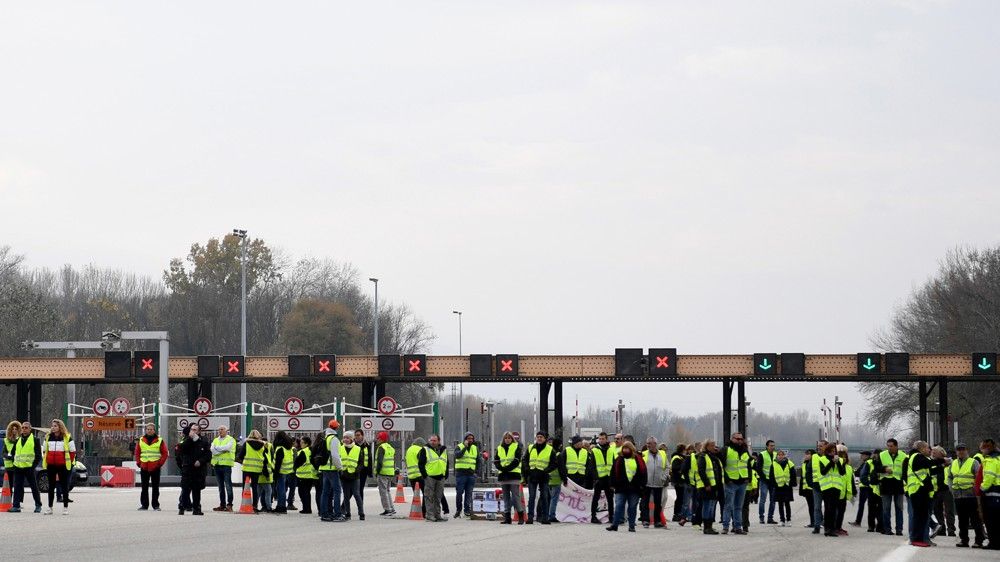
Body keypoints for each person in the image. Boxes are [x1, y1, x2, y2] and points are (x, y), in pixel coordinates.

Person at [906, 440, 946, 547]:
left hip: (919, 491)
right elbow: (928, 464)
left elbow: (929, 471)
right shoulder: (917, 456)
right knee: (920, 517)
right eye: (928, 448)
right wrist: (942, 460)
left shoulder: (917, 458)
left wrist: (941, 467)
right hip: (918, 490)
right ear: (922, 448)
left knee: (922, 516)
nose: (930, 450)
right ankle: (916, 539)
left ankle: (919, 538)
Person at [605, 440, 646, 532]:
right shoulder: (619, 459)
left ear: (631, 449)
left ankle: (631, 525)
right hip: (621, 487)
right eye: (624, 448)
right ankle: (615, 524)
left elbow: (643, 473)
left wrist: (642, 485)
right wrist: (612, 484)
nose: (625, 450)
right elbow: (613, 473)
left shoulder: (638, 459)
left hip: (634, 488)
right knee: (619, 505)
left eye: (627, 448)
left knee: (632, 507)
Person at [948, 443, 984, 548]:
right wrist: (952, 489)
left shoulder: (974, 462)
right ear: (956, 452)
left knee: (975, 520)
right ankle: (964, 540)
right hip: (958, 496)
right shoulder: (953, 463)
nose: (961, 451)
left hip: (971, 496)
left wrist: (975, 490)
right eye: (959, 450)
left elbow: (979, 477)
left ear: (967, 450)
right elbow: (950, 477)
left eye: (963, 449)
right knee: (962, 520)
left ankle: (979, 540)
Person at [41, 419, 76, 515]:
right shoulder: (48, 437)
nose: (53, 427)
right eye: (52, 426)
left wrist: (66, 462)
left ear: (60, 427)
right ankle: (50, 508)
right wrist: (47, 459)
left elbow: (73, 452)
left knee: (64, 486)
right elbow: (44, 450)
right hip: (51, 465)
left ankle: (65, 508)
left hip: (63, 465)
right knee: (51, 486)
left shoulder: (67, 437)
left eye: (55, 426)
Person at [718, 432, 750, 535]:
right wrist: (727, 479)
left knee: (738, 507)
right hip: (731, 482)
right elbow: (721, 466)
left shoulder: (745, 451)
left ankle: (737, 527)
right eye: (737, 439)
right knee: (728, 506)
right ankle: (725, 527)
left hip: (742, 482)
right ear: (732, 439)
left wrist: (748, 477)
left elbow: (748, 465)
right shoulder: (726, 449)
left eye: (741, 439)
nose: (740, 441)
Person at [873, 438, 906, 536]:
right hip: (886, 484)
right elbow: (876, 468)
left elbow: (905, 470)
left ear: (896, 446)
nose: (889, 448)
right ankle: (887, 529)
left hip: (898, 484)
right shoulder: (882, 455)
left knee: (899, 508)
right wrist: (884, 469)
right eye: (888, 446)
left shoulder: (904, 456)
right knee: (886, 508)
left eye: (891, 446)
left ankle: (899, 530)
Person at [177, 423, 210, 515]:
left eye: (195, 430)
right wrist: (190, 440)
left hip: (198, 469)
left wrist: (200, 461)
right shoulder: (186, 440)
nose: (193, 431)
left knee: (196, 490)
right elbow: (181, 450)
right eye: (192, 429)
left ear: (199, 431)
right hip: (187, 468)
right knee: (185, 489)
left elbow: (208, 455)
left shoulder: (203, 441)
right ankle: (182, 506)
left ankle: (196, 508)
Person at [9, 420, 42, 513]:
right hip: (18, 467)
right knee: (17, 487)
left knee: (34, 487)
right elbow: (12, 453)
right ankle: (16, 506)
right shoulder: (18, 440)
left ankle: (38, 505)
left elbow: (38, 455)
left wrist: (33, 466)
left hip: (29, 468)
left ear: (30, 429)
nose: (24, 429)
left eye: (26, 428)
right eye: (22, 428)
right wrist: (14, 463)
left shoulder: (35, 440)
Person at [134, 422, 168, 511]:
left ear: (154, 430)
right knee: (144, 487)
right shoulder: (141, 440)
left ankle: (155, 505)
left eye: (151, 429)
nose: (149, 431)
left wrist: (159, 464)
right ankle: (144, 505)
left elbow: (165, 453)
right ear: (146, 430)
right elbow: (137, 453)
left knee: (155, 487)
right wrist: (139, 463)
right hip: (144, 466)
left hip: (155, 466)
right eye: (148, 429)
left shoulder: (160, 440)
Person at [523, 431, 554, 525]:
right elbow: (524, 460)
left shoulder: (550, 449)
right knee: (531, 497)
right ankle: (530, 518)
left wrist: (546, 470)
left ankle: (545, 518)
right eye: (538, 437)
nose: (539, 438)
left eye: (541, 437)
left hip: (543, 476)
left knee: (544, 497)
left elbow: (554, 463)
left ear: (545, 439)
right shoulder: (530, 448)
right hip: (532, 476)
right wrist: (527, 470)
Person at [693, 439, 723, 535]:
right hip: (706, 486)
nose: (714, 447)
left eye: (714, 445)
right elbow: (701, 471)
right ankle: (706, 527)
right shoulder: (703, 456)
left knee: (711, 506)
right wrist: (707, 484)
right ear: (706, 446)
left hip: (714, 486)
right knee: (707, 506)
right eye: (712, 445)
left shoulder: (713, 457)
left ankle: (709, 526)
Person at [495, 431, 525, 525]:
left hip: (513, 475)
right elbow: (497, 461)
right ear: (503, 439)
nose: (507, 440)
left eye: (509, 438)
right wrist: (502, 468)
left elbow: (516, 460)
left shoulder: (517, 447)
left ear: (512, 439)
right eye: (506, 438)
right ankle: (507, 517)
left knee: (516, 497)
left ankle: (521, 516)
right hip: (503, 475)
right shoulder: (499, 448)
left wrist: (506, 468)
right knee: (506, 497)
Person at [317, 420, 345, 522]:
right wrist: (340, 468)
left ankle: (324, 514)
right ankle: (337, 514)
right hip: (332, 469)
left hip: (324, 468)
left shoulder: (325, 438)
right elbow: (335, 456)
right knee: (337, 491)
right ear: (337, 428)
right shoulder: (334, 439)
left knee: (325, 492)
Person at [236, 430, 269, 513]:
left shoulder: (246, 444)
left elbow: (240, 455)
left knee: (245, 487)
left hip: (247, 468)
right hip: (257, 469)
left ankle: (244, 504)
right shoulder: (263, 445)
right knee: (255, 487)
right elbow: (265, 457)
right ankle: (255, 505)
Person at [417, 434, 448, 522]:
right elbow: (421, 464)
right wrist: (425, 476)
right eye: (431, 440)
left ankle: (437, 515)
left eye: (434, 441)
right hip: (430, 477)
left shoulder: (443, 450)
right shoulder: (425, 449)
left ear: (439, 441)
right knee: (429, 497)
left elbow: (446, 462)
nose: (433, 442)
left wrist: (445, 475)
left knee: (438, 497)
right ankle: (429, 515)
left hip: (440, 477)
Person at [976, 439, 999, 550]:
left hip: (991, 493)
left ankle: (994, 543)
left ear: (987, 448)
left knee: (990, 520)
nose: (981, 451)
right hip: (997, 493)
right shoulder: (998, 457)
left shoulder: (990, 460)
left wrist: (981, 488)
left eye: (982, 449)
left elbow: (989, 476)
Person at [639, 436, 668, 528]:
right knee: (645, 503)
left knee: (658, 503)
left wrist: (664, 477)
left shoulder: (662, 454)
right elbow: (640, 468)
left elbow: (667, 466)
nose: (647, 445)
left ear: (655, 444)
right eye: (647, 443)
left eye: (649, 443)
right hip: (646, 483)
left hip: (659, 483)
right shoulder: (643, 454)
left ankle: (657, 521)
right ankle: (645, 520)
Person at [818, 442, 845, 537]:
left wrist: (838, 463)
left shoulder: (840, 460)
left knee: (833, 509)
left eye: (834, 451)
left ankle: (832, 529)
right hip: (827, 487)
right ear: (827, 451)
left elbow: (842, 472)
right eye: (831, 451)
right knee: (828, 508)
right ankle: (827, 528)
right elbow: (823, 472)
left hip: (836, 487)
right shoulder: (822, 459)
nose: (833, 453)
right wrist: (831, 462)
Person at [589, 432, 615, 524]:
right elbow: (592, 466)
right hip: (599, 479)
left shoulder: (611, 450)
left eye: (603, 439)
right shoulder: (595, 450)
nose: (601, 440)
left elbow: (614, 465)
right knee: (595, 498)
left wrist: (613, 479)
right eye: (599, 439)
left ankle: (611, 517)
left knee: (610, 499)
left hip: (609, 478)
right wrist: (596, 478)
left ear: (607, 439)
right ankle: (593, 517)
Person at [930, 445, 956, 538]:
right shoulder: (932, 462)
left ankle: (951, 530)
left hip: (946, 489)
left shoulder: (949, 461)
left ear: (941, 452)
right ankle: (942, 529)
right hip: (936, 490)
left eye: (935, 452)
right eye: (932, 452)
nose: (932, 453)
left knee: (949, 511)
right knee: (937, 511)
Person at [210, 425, 236, 512]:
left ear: (226, 430)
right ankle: (222, 504)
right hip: (217, 465)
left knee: (228, 485)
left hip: (226, 465)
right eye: (219, 429)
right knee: (220, 487)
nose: (220, 431)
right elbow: (212, 450)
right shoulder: (215, 440)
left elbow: (227, 448)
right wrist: (221, 450)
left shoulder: (231, 439)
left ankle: (229, 505)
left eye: (222, 429)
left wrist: (217, 449)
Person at [453, 432, 479, 518]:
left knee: (469, 493)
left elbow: (478, 460)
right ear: (465, 439)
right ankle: (458, 510)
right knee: (459, 493)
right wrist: (465, 447)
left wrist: (476, 472)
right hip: (461, 474)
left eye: (472, 439)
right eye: (468, 438)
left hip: (471, 474)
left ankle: (467, 510)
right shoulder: (459, 446)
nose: (470, 440)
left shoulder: (475, 448)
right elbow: (457, 456)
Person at [339, 434, 364, 520]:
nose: (345, 439)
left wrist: (357, 471)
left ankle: (361, 513)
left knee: (356, 494)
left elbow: (361, 463)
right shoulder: (340, 448)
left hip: (354, 476)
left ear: (352, 439)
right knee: (346, 496)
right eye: (344, 438)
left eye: (347, 438)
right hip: (344, 475)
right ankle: (347, 513)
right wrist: (341, 472)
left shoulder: (358, 449)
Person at [293, 436, 318, 514]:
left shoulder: (303, 451)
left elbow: (297, 462)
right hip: (311, 474)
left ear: (306, 443)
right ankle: (307, 508)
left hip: (303, 475)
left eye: (302, 442)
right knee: (307, 492)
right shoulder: (312, 450)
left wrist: (294, 469)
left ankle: (306, 509)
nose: (300, 444)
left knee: (303, 492)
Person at [271, 431, 295, 514]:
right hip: (287, 470)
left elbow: (278, 463)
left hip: (280, 470)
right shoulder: (288, 447)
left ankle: (281, 506)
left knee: (280, 489)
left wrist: (275, 474)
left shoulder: (280, 448)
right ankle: (281, 506)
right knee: (282, 489)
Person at [374, 431, 396, 517]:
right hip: (390, 472)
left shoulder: (381, 448)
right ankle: (391, 508)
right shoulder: (390, 447)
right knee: (387, 491)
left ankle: (388, 509)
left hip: (382, 472)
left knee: (383, 492)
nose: (377, 439)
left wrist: (377, 472)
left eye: (378, 438)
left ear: (382, 439)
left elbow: (379, 462)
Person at [771, 449, 796, 526]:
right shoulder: (773, 464)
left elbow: (793, 474)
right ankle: (782, 520)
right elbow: (771, 476)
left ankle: (788, 520)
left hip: (787, 486)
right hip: (778, 486)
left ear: (784, 456)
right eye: (779, 455)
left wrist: (792, 484)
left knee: (787, 504)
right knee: (780, 504)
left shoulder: (789, 463)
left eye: (782, 455)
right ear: (777, 456)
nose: (780, 456)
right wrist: (774, 484)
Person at [835, 444, 855, 536]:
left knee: (841, 512)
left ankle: (838, 527)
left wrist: (853, 491)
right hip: (836, 492)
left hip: (845, 493)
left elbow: (851, 480)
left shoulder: (849, 468)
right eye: (841, 456)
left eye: (845, 456)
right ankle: (833, 527)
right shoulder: (836, 466)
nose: (843, 458)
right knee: (835, 512)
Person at [849, 451, 873, 529]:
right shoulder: (865, 463)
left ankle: (858, 521)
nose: (861, 456)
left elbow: (858, 473)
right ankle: (873, 522)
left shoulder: (867, 463)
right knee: (870, 505)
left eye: (862, 455)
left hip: (865, 487)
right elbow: (857, 473)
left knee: (864, 505)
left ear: (867, 456)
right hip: (868, 486)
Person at [758, 439, 777, 524]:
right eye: (771, 446)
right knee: (763, 500)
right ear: (767, 446)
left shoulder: (776, 455)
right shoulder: (762, 454)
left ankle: (770, 518)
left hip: (773, 481)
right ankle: (761, 517)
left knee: (773, 500)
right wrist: (764, 478)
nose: (773, 447)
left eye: (773, 446)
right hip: (764, 481)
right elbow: (759, 468)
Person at [353, 429, 371, 509]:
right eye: (355, 435)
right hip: (354, 470)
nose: (357, 437)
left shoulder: (366, 445)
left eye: (358, 435)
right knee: (351, 490)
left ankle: (360, 507)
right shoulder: (352, 445)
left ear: (362, 436)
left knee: (360, 489)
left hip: (363, 471)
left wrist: (370, 471)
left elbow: (369, 458)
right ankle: (343, 507)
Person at [547, 437, 564, 523]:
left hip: (548, 478)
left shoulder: (549, 452)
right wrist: (564, 478)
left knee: (548, 498)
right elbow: (561, 468)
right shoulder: (558, 454)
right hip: (556, 479)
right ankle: (552, 515)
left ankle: (546, 514)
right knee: (554, 499)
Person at [670, 443, 687, 524]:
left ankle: (678, 513)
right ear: (683, 450)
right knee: (679, 498)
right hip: (678, 481)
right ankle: (676, 514)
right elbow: (674, 468)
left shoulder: (680, 457)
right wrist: (682, 468)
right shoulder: (676, 457)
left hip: (680, 480)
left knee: (681, 498)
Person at [742, 451, 758, 533]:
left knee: (737, 507)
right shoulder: (752, 462)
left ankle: (737, 525)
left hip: (740, 487)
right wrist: (755, 488)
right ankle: (745, 525)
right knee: (745, 508)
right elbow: (754, 475)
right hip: (747, 488)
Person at [799, 449, 815, 528]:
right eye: (806, 454)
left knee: (815, 506)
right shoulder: (804, 464)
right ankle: (812, 522)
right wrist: (801, 490)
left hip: (813, 488)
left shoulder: (814, 463)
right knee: (811, 506)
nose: (806, 455)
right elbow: (802, 478)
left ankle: (817, 522)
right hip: (806, 488)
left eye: (808, 454)